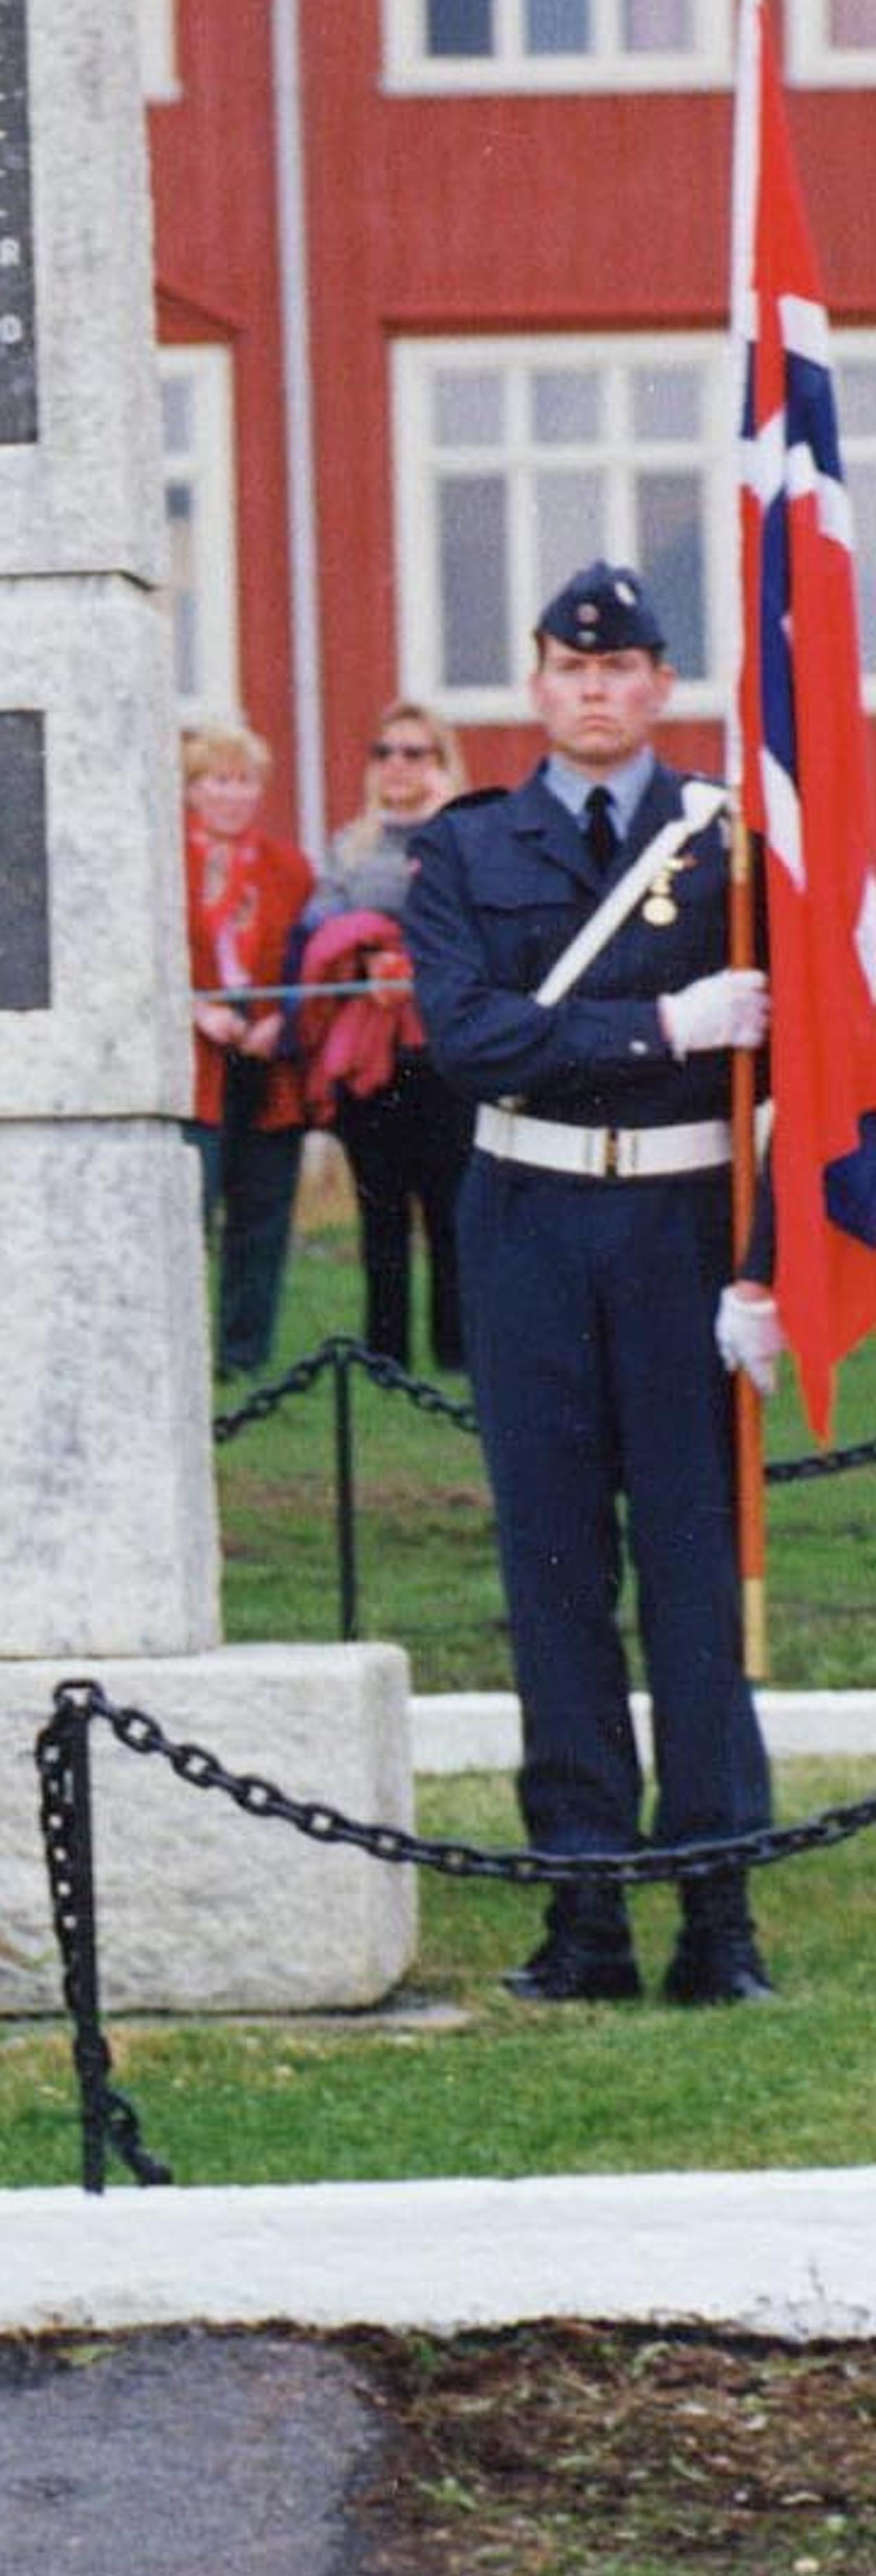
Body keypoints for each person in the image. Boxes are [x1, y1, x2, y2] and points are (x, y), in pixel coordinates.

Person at [407, 560, 780, 2007]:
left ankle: (717, 1911)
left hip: (687, 1228)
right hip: (530, 1225)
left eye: (623, 670)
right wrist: (661, 1021)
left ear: (661, 685)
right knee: (555, 1575)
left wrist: (762, 1273)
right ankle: (586, 1913)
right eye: (572, 669)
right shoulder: (468, 850)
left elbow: (801, 1072)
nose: (598, 690)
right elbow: (469, 1037)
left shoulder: (729, 842)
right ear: (538, 684)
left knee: (693, 1574)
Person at [297, 701, 476, 1369]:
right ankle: (387, 1355)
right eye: (386, 752)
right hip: (371, 1054)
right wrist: (367, 956)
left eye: (415, 752)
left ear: (441, 763)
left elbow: (474, 917)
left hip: (442, 1051)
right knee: (381, 1213)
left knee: (451, 1210)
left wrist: (410, 955)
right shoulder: (351, 845)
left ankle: (457, 1353)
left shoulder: (466, 836)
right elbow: (322, 922)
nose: (397, 765)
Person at [183, 722, 314, 1379]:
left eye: (243, 781)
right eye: (217, 780)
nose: (231, 795)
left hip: (267, 1058)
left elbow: (310, 962)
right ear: (192, 789)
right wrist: (195, 1007)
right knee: (191, 1205)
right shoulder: (167, 864)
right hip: (195, 1057)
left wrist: (279, 1021)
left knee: (261, 1213)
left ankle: (244, 1355)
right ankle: (183, 1348)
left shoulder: (288, 869)